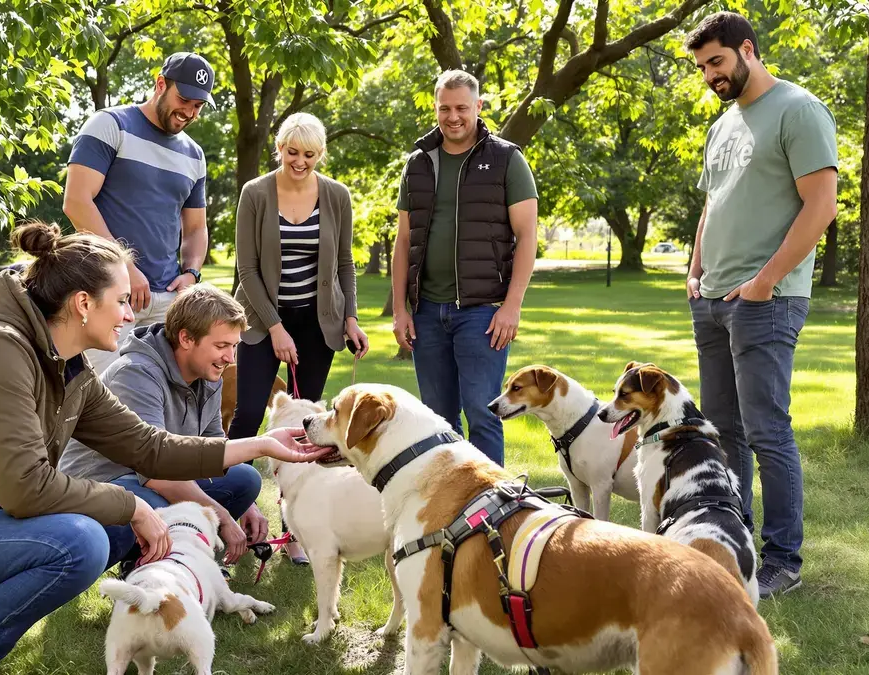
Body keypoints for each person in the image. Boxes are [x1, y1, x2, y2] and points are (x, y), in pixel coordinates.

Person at [0, 222, 324, 675]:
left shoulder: (67, 366)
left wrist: (260, 442)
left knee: (90, 532)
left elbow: (146, 446)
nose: (132, 314)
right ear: (82, 304)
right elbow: (26, 489)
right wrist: (132, 505)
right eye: (121, 300)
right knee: (81, 541)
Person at [684, 12, 838, 598]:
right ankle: (734, 541)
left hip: (764, 300)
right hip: (713, 297)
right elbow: (712, 205)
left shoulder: (798, 110)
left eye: (717, 62)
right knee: (725, 430)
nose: (710, 75)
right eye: (702, 67)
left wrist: (766, 280)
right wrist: (694, 270)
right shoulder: (723, 124)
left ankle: (783, 559)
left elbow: (820, 204)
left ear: (748, 49)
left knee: (767, 429)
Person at [229, 112, 368, 564]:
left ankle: (295, 533)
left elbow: (344, 263)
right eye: (292, 152)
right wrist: (274, 328)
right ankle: (228, 519)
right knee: (248, 413)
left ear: (319, 154)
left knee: (307, 427)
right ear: (280, 148)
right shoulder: (255, 194)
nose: (300, 162)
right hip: (259, 320)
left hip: (316, 322)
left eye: (309, 155)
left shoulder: (336, 196)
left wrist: (350, 318)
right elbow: (246, 269)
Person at [59, 284, 269, 569]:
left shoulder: (209, 374)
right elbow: (154, 473)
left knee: (245, 479)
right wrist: (223, 518)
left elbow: (217, 450)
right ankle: (140, 562)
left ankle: (181, 555)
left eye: (234, 346)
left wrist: (247, 507)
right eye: (221, 346)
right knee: (148, 497)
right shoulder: (137, 372)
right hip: (105, 486)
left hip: (157, 476)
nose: (230, 358)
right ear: (185, 338)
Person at [391, 69, 539, 467]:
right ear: (435, 108)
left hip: (483, 312)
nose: (452, 116)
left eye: (461, 108)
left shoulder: (507, 158)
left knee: (484, 414)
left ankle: (494, 511)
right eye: (444, 108)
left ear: (478, 107)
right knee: (437, 420)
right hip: (426, 312)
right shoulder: (418, 163)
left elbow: (527, 236)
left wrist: (512, 306)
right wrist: (401, 309)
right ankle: (448, 510)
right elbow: (403, 240)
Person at [63, 51, 216, 374]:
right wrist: (125, 267)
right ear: (161, 84)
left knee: (156, 402)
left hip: (166, 305)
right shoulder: (110, 125)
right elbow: (76, 202)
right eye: (184, 99)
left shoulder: (194, 155)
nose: (188, 112)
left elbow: (195, 229)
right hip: (106, 293)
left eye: (198, 106)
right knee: (98, 400)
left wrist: (191, 274)